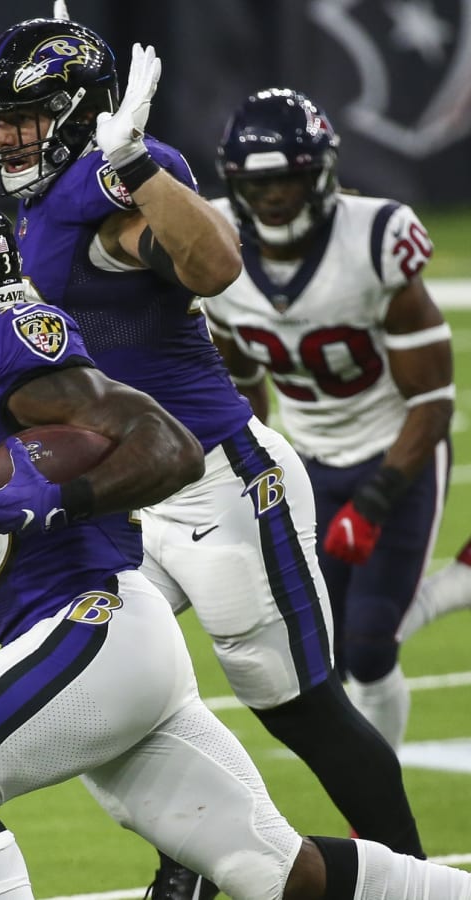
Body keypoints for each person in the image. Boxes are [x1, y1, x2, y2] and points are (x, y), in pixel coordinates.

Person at [0, 189, 471, 900]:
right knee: (278, 872)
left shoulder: (4, 345)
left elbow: (169, 447)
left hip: (94, 622)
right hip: (101, 643)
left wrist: (63, 498)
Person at [0, 17, 425, 898]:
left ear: (74, 115)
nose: (4, 137)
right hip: (129, 493)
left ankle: (412, 880)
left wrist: (133, 161)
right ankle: (194, 865)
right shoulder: (44, 199)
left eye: (24, 118)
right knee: (112, 681)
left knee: (302, 711)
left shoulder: (117, 184)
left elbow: (214, 265)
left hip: (220, 485)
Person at [205, 88, 467, 754]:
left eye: (288, 181)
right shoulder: (214, 250)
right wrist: (246, 472)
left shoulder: (374, 238)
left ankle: (379, 823)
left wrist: (376, 503)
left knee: (371, 648)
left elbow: (433, 399)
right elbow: (241, 384)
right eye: (258, 186)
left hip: (394, 446)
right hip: (311, 457)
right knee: (331, 651)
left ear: (319, 172)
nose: (274, 200)